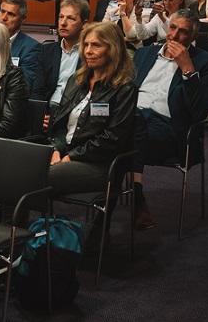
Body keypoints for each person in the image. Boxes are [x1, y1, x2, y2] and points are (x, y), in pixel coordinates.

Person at [43, 21, 137, 232]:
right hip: (65, 156)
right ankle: (20, 239)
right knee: (16, 165)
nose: (88, 51)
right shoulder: (76, 81)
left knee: (28, 177)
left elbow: (112, 138)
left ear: (112, 49)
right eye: (86, 45)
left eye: (97, 45)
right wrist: (57, 149)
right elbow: (59, 123)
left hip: (99, 165)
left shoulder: (124, 89)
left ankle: (16, 241)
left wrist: (72, 155)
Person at [131, 11, 208, 225]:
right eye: (172, 28)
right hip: (132, 119)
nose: (175, 36)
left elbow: (200, 113)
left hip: (167, 128)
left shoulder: (206, 63)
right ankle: (136, 197)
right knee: (125, 129)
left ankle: (124, 199)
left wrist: (187, 69)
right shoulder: (144, 54)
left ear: (193, 37)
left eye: (183, 32)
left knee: (123, 137)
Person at [34, 0, 90, 105]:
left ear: (84, 23)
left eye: (71, 18)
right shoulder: (47, 50)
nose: (63, 23)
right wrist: (40, 114)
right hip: (50, 108)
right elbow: (38, 90)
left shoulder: (90, 53)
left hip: (75, 111)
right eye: (61, 17)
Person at [0, 0, 41, 94]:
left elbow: (24, 85)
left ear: (23, 19)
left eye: (11, 14)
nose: (4, 18)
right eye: (2, 12)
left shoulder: (31, 48)